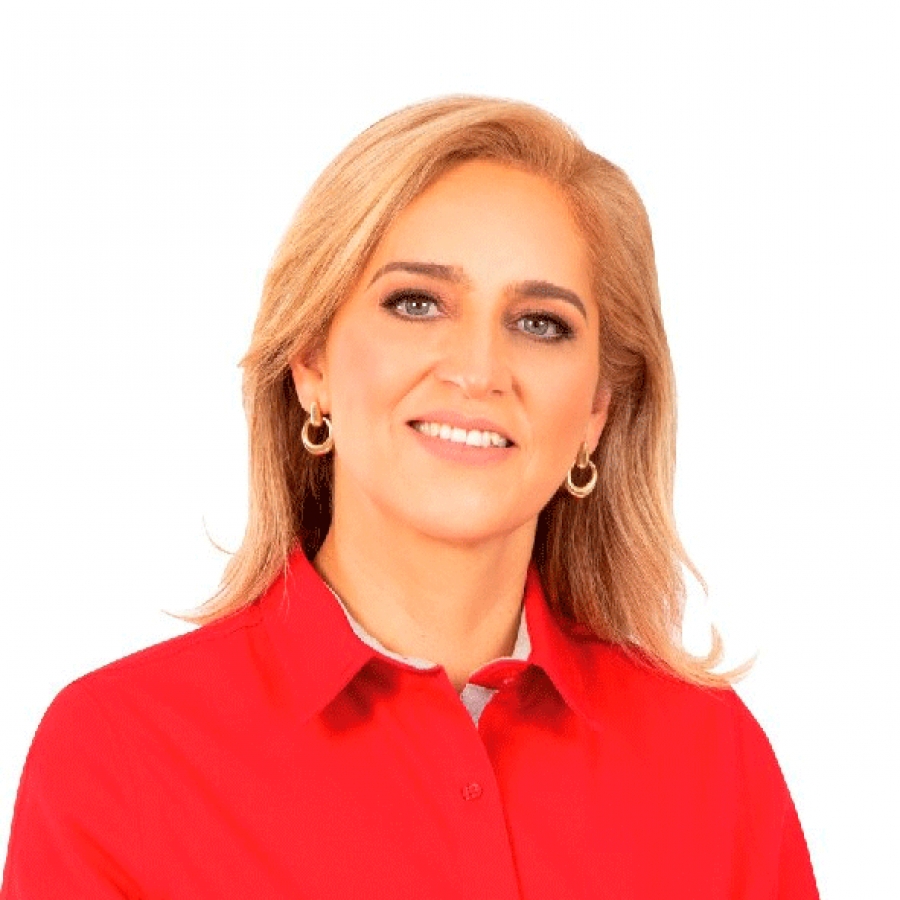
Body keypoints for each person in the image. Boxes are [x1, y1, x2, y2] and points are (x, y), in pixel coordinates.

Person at [0, 96, 819, 898]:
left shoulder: (711, 757)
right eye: (417, 304)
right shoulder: (121, 756)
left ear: (596, 411)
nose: (478, 371)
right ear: (312, 364)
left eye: (540, 323)